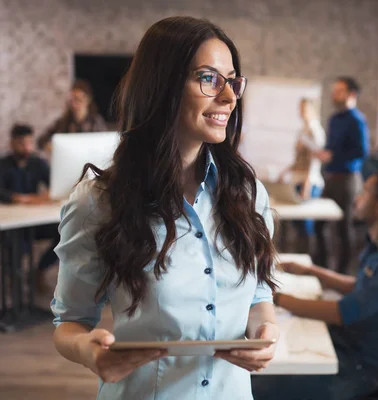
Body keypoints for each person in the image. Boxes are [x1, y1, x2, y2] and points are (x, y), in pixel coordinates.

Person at [50, 17, 280, 400]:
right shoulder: (97, 202)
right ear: (162, 86)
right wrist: (88, 352)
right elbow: (69, 323)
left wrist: (264, 331)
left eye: (232, 80)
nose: (228, 97)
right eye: (209, 79)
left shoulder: (247, 193)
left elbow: (258, 296)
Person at [252, 170, 378, 400]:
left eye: (365, 193)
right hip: (344, 345)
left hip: (360, 367)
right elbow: (361, 287)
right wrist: (311, 271)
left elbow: (342, 312)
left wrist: (274, 298)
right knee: (258, 371)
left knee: (256, 388)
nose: (357, 197)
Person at [313, 77, 370, 274]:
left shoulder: (357, 120)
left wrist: (334, 155)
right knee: (319, 224)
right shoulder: (334, 119)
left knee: (343, 229)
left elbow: (362, 151)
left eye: (339, 91)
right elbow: (331, 148)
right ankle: (322, 268)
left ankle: (342, 273)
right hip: (331, 178)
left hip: (348, 180)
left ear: (351, 94)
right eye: (334, 90)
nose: (334, 94)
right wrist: (323, 154)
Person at [0, 124, 59, 291]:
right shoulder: (3, 164)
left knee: (64, 232)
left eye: (29, 142)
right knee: (17, 243)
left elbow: (54, 185)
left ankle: (40, 270)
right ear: (12, 143)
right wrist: (23, 199)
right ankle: (15, 282)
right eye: (21, 143)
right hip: (12, 223)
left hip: (34, 220)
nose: (26, 147)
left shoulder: (37, 163)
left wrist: (47, 195)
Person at [278, 98, 326, 252]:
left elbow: (315, 158)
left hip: (309, 182)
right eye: (300, 108)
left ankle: (308, 259)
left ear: (313, 110)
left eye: (304, 109)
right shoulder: (302, 130)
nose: (301, 112)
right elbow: (299, 159)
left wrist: (307, 182)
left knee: (306, 223)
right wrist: (285, 172)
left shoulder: (315, 130)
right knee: (297, 223)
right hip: (297, 179)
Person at [37, 79, 108, 151]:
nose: (74, 104)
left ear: (87, 99)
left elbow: (105, 143)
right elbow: (41, 140)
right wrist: (48, 146)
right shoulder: (64, 121)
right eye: (72, 100)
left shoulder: (96, 121)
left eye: (78, 99)